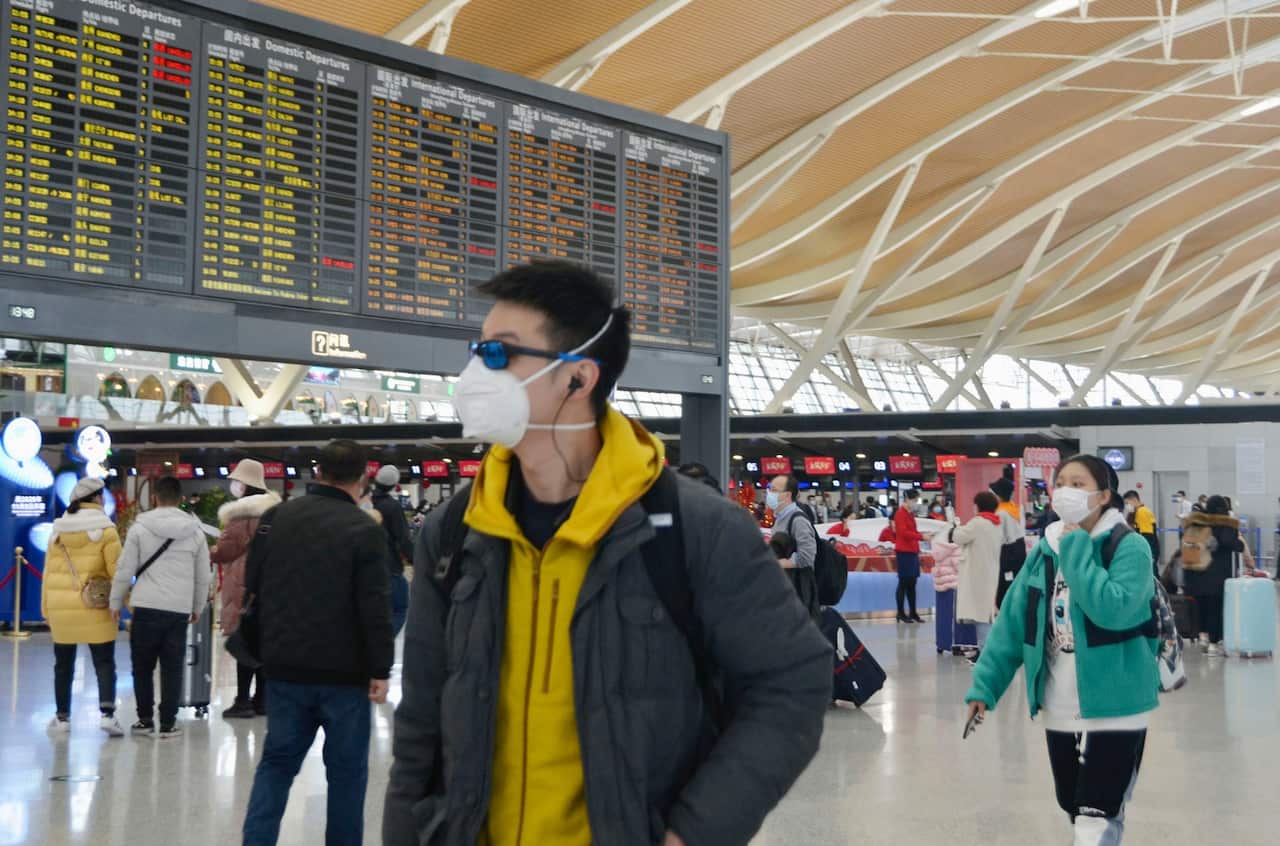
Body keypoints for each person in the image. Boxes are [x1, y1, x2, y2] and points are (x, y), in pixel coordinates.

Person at [384, 261, 830, 846]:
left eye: (499, 355)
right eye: (477, 351)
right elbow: (420, 717)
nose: (473, 374)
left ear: (579, 378)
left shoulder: (697, 529)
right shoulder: (456, 530)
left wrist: (697, 831)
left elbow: (791, 681)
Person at [966, 454, 1157, 845]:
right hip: (1058, 702)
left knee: (1096, 815)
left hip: (1116, 702)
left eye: (1079, 483)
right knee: (1073, 805)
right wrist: (984, 687)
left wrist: (1077, 548)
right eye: (1062, 482)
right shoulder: (1045, 551)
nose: (1066, 491)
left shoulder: (1129, 547)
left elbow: (1112, 609)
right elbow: (1012, 625)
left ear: (1104, 495)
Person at [241, 440, 394, 846]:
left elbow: (253, 584)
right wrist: (380, 669)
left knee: (276, 764)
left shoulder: (276, 518)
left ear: (318, 472)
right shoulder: (364, 530)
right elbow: (374, 607)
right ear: (363, 479)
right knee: (346, 774)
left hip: (285, 668)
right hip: (346, 675)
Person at [109, 475, 211, 738]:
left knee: (142, 666)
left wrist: (115, 601)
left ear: (154, 497)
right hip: (177, 609)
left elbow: (125, 568)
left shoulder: (139, 528)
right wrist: (197, 606)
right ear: (181, 500)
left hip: (145, 605)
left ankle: (144, 721)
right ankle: (167, 723)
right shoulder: (195, 532)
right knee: (173, 666)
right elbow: (203, 576)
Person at [42, 477, 124, 737]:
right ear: (98, 498)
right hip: (96, 605)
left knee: (63, 664)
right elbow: (118, 571)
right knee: (103, 662)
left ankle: (62, 717)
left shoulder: (58, 530)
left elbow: (47, 573)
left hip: (61, 606)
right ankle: (108, 715)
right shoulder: (106, 530)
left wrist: (46, 608)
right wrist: (122, 601)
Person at [211, 459, 280, 719]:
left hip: (242, 583)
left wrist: (212, 551)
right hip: (269, 584)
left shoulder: (240, 514)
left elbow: (228, 550)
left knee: (243, 643)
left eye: (236, 481)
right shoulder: (275, 511)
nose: (233, 485)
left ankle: (242, 700)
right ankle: (262, 699)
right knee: (262, 643)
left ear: (245, 484)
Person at [1182, 496, 1243, 657]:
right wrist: (1240, 543)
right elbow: (1232, 543)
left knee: (1201, 607)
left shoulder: (1195, 523)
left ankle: (1203, 637)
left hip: (1195, 575)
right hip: (1217, 577)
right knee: (1215, 609)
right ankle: (1213, 645)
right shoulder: (1225, 525)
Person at [950, 491, 1003, 665]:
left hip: (977, 575)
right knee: (985, 614)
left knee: (981, 616)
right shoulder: (996, 524)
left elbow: (958, 537)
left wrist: (954, 526)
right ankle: (984, 650)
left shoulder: (978, 523)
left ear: (979, 505)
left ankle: (986, 653)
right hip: (989, 572)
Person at [371, 464, 414, 637]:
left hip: (368, 566)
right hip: (390, 567)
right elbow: (403, 538)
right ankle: (383, 643)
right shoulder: (392, 506)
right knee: (400, 609)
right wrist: (414, 559)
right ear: (394, 484)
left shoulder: (365, 502)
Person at [770, 473, 821, 620]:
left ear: (786, 495)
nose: (769, 494)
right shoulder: (780, 518)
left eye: (774, 490)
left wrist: (776, 563)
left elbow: (807, 557)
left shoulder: (798, 520)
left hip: (798, 593)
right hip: (784, 591)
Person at [990, 476, 1027, 610]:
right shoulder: (1016, 508)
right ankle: (1017, 606)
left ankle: (1005, 608)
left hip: (1007, 550)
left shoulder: (1000, 513)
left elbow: (999, 536)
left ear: (999, 495)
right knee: (1016, 579)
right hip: (1019, 547)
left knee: (1004, 581)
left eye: (993, 494)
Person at [894, 489, 925, 623]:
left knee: (912, 583)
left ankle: (913, 612)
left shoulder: (909, 514)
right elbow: (904, 533)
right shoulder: (900, 514)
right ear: (908, 499)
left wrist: (922, 536)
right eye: (915, 500)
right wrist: (921, 536)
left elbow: (912, 531)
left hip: (912, 551)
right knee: (904, 582)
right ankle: (900, 612)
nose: (916, 503)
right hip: (904, 551)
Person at [1123, 491, 1160, 576]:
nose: (1127, 506)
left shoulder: (1142, 512)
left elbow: (1147, 536)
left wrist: (1149, 554)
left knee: (1152, 576)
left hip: (1150, 550)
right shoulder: (1137, 512)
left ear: (1134, 500)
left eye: (1127, 503)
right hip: (1147, 550)